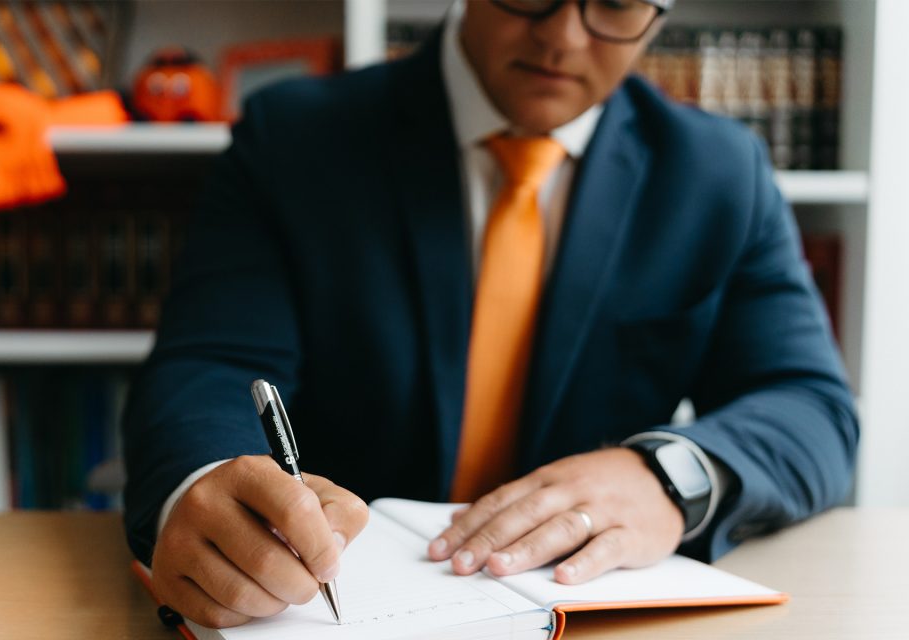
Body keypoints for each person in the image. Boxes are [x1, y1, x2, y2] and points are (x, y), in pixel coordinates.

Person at [122, 0, 858, 629]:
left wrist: (670, 475)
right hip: (322, 607)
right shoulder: (293, 140)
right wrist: (204, 482)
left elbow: (813, 407)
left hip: (588, 615)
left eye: (617, 2)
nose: (563, 37)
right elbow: (210, 367)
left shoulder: (718, 171)